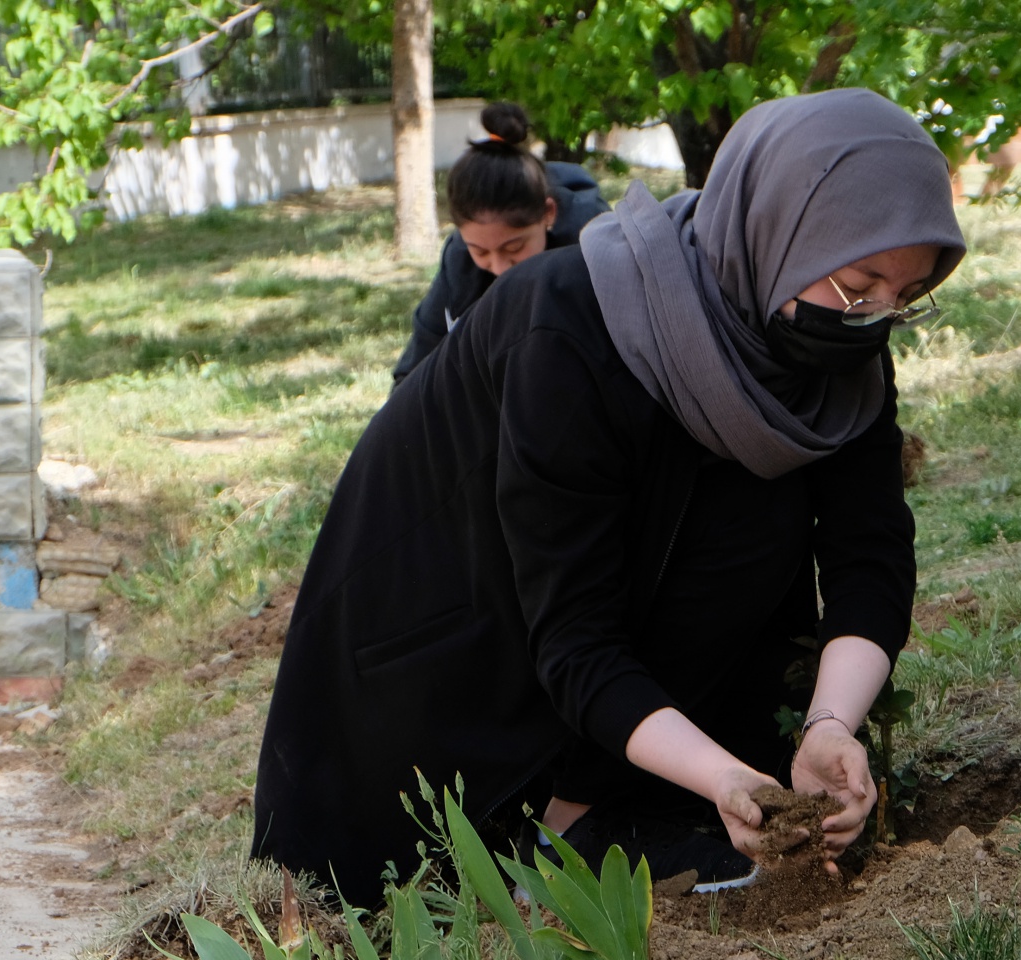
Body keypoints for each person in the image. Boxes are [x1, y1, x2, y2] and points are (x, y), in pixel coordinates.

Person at [252, 88, 967, 911]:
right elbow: (573, 631)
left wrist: (828, 725)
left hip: (603, 624)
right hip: (446, 650)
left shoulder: (839, 357)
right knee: (428, 869)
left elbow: (869, 554)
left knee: (750, 518)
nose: (874, 317)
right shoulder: (570, 331)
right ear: (778, 230)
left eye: (903, 297)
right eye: (857, 283)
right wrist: (726, 777)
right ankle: (557, 820)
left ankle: (624, 801)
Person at [390, 101, 610, 387]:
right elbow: (417, 368)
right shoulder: (459, 258)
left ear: (548, 214)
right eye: (480, 251)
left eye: (514, 248)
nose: (499, 268)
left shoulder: (593, 250)